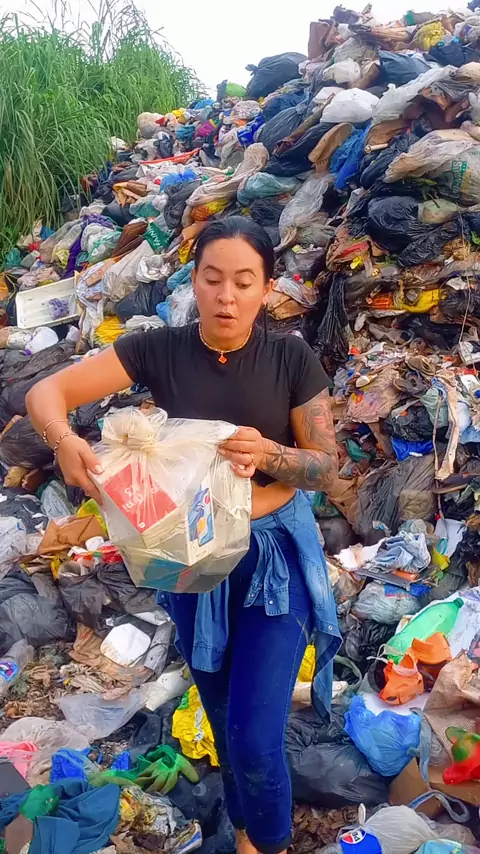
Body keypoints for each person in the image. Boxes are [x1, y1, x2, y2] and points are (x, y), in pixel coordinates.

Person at [27, 217, 341, 854]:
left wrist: (272, 453)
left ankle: (272, 842)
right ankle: (246, 833)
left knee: (256, 735)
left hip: (272, 561)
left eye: (244, 282)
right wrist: (64, 442)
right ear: (193, 281)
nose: (227, 297)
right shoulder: (159, 350)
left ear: (267, 289)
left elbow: (328, 468)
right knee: (222, 718)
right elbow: (47, 391)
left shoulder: (290, 358)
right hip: (192, 562)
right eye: (213, 279)